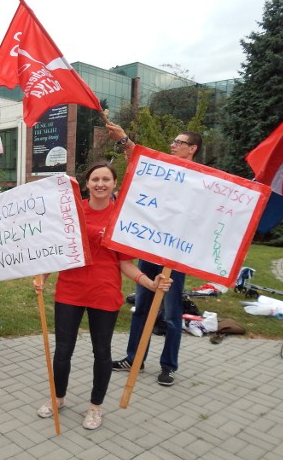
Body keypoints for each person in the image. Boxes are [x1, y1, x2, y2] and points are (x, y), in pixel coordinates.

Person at [34, 162, 172, 429]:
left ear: (114, 183)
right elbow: (59, 252)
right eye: (95, 179)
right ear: (87, 183)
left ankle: (95, 407)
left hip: (104, 294)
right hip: (69, 292)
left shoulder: (120, 218)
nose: (100, 183)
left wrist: (149, 284)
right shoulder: (73, 212)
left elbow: (126, 263)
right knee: (62, 351)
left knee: (102, 353)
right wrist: (42, 277)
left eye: (105, 179)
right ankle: (57, 398)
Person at [106, 124, 202, 387]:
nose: (172, 144)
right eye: (173, 140)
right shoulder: (164, 168)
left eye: (179, 142)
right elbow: (139, 159)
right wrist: (124, 139)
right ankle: (133, 358)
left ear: (192, 148)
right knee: (141, 308)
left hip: (174, 257)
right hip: (150, 249)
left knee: (172, 314)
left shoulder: (201, 179)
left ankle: (168, 366)